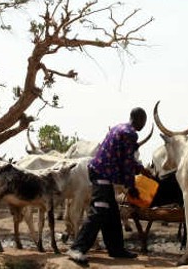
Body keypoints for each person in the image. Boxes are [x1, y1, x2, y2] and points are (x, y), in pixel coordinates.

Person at [67, 106, 154, 266]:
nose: (144, 125)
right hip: (103, 174)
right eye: (144, 121)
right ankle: (77, 248)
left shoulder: (118, 128)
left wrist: (140, 169)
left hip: (100, 171)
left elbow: (122, 156)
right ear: (139, 120)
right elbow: (126, 162)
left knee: (112, 212)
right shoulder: (130, 134)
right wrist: (131, 187)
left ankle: (116, 248)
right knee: (99, 209)